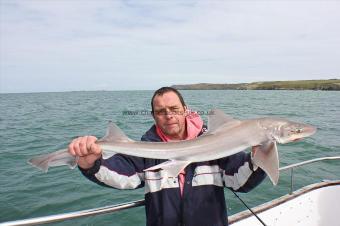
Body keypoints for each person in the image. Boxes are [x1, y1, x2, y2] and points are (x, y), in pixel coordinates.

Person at [68, 87, 267, 226]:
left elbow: (241, 183)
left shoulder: (217, 143)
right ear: (153, 116)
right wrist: (91, 164)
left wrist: (259, 157)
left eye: (174, 109)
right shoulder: (146, 150)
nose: (169, 115)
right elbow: (123, 178)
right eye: (161, 111)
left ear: (185, 110)